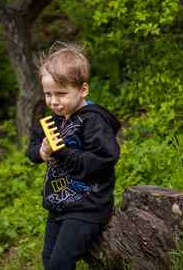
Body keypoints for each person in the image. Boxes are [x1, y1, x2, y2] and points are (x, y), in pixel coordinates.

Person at [28, 42, 121, 270]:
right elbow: (31, 148)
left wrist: (62, 152)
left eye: (61, 94)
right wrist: (41, 152)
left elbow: (104, 160)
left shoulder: (93, 121)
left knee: (60, 264)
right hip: (58, 205)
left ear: (83, 90)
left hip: (87, 206)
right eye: (48, 94)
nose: (53, 101)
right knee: (49, 262)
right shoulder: (54, 118)